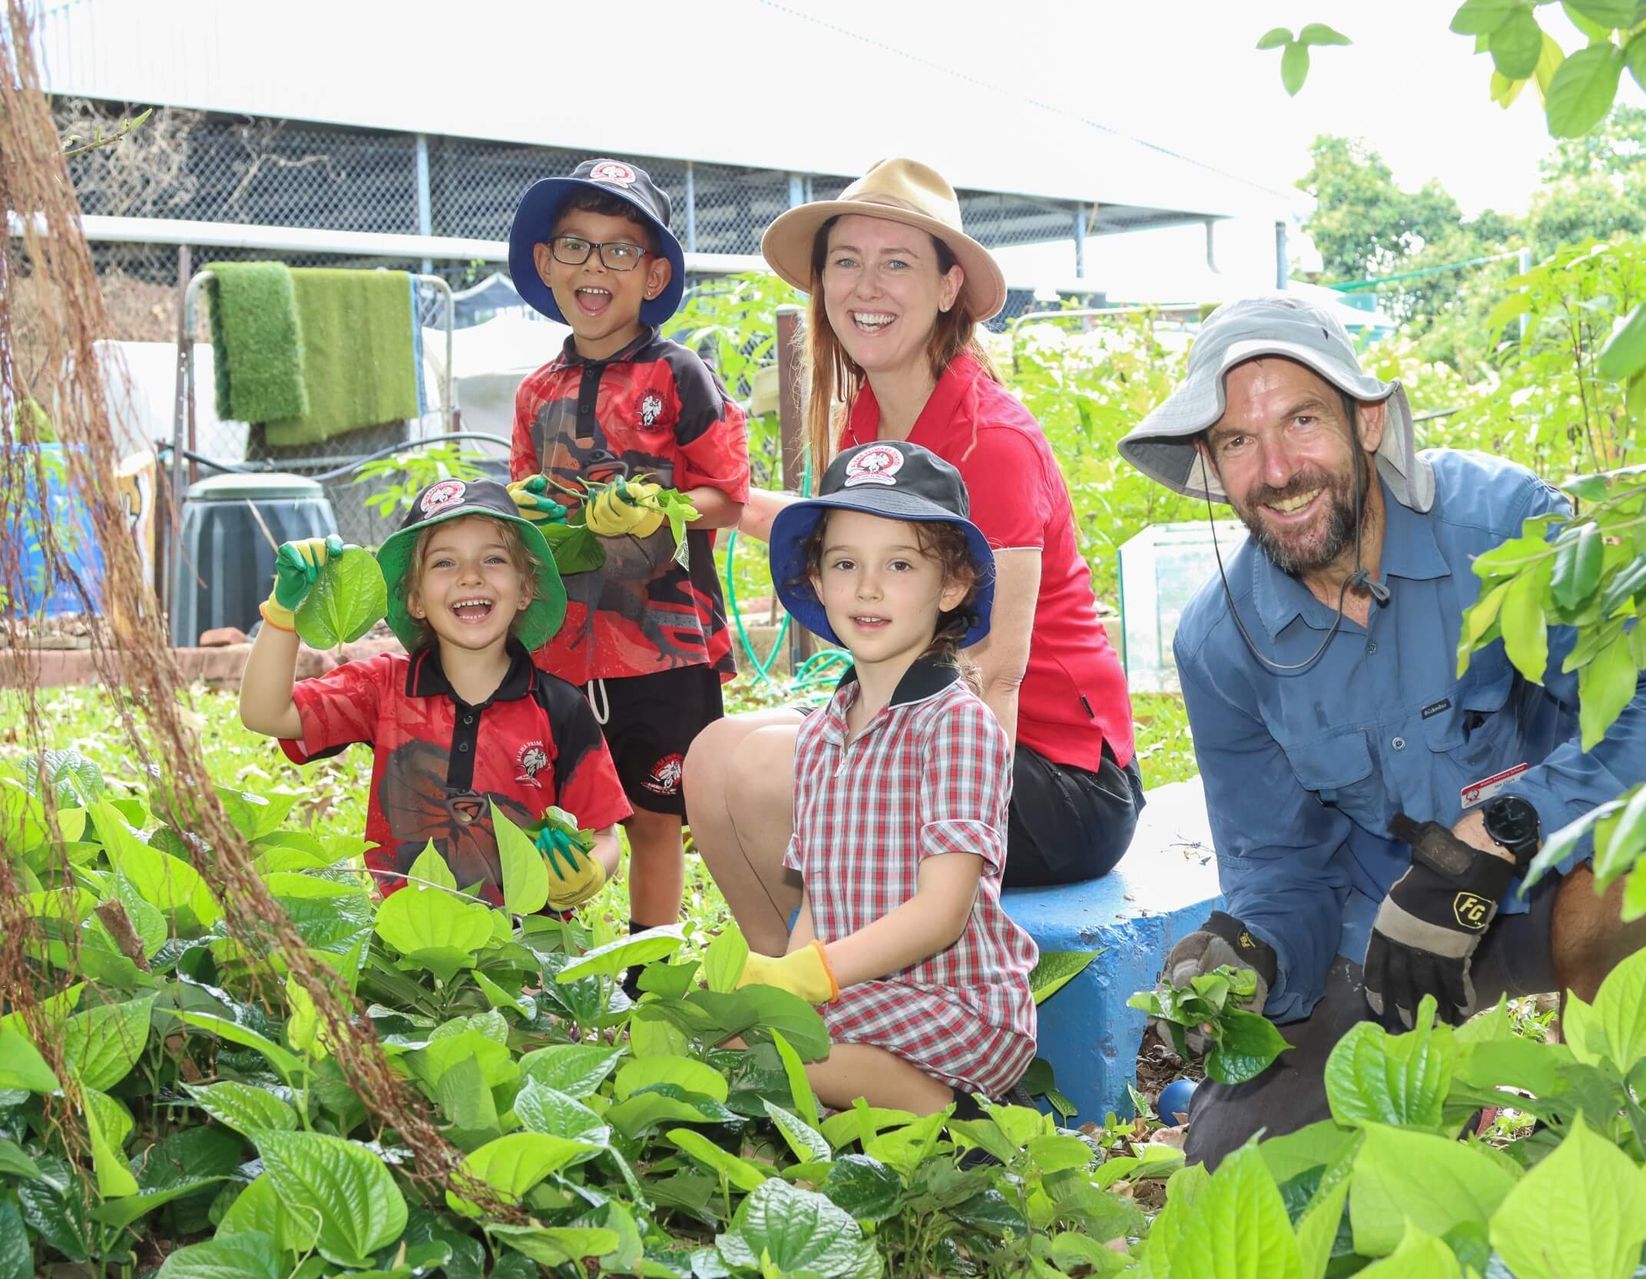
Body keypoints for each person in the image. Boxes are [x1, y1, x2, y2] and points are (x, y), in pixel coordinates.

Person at [1115, 293, 1646, 1166]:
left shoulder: (1503, 524)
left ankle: (1596, 1094)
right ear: (1210, 463)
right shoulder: (1221, 643)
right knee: (1242, 1169)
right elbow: (1280, 867)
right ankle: (1444, 1087)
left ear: (1367, 422)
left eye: (1301, 420)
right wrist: (1244, 952)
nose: (1278, 469)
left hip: (1557, 888)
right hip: (1394, 942)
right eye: (1237, 441)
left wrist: (1498, 833)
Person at [684, 158, 1143, 956]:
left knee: (766, 777)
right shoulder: (870, 418)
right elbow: (858, 543)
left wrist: (970, 865)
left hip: (1049, 776)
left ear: (946, 288)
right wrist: (734, 505)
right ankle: (791, 1000)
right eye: (846, 262)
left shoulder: (989, 441)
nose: (866, 286)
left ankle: (831, 1005)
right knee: (713, 755)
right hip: (920, 725)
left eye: (897, 262)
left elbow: (991, 675)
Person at [734, 439, 1038, 1113]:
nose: (867, 588)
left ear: (952, 585)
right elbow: (816, 899)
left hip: (960, 1005)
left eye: (900, 564)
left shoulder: (955, 725)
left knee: (774, 1045)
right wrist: (784, 977)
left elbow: (940, 912)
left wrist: (814, 977)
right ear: (815, 580)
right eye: (845, 562)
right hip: (868, 994)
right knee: (746, 1027)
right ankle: (887, 1115)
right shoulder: (819, 735)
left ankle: (958, 1123)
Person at [503, 158, 750, 933]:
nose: (595, 266)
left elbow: (728, 494)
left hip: (664, 647)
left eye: (619, 249)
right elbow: (519, 500)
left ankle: (647, 971)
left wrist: (656, 507)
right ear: (546, 264)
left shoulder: (679, 375)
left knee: (653, 816)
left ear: (652, 275)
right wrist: (527, 509)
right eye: (576, 246)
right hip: (557, 644)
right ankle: (549, 956)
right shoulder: (535, 390)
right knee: (554, 807)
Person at [239, 478, 632, 910]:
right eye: (445, 563)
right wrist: (282, 613)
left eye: (494, 559)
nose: (470, 576)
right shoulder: (384, 688)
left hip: (527, 950)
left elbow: (602, 836)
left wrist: (590, 871)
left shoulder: (561, 707)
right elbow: (265, 713)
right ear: (415, 599)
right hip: (403, 940)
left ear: (525, 590)